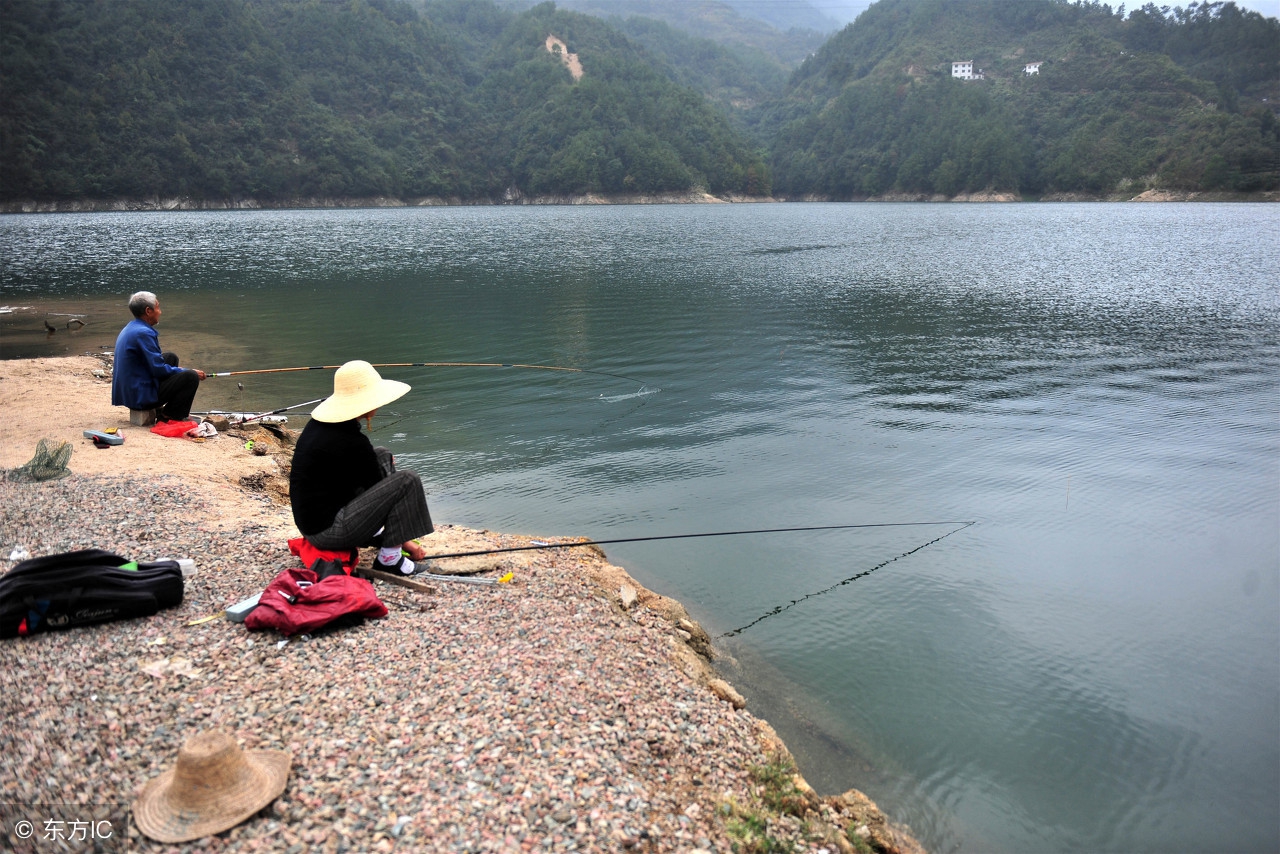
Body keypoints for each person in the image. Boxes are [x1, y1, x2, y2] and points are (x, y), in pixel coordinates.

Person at [289, 360, 433, 576]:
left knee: (382, 454)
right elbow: (385, 500)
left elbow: (370, 483)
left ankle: (390, 541)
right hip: (328, 532)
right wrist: (404, 542)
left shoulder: (320, 427)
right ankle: (390, 559)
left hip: (314, 524)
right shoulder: (352, 442)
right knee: (407, 481)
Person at [111, 291, 206, 421]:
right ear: (148, 311)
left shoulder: (132, 327)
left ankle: (160, 408)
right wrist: (185, 371)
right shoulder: (144, 333)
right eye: (158, 307)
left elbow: (155, 364)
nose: (160, 312)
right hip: (138, 397)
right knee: (191, 377)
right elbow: (158, 369)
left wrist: (177, 372)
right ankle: (170, 415)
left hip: (130, 392)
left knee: (170, 357)